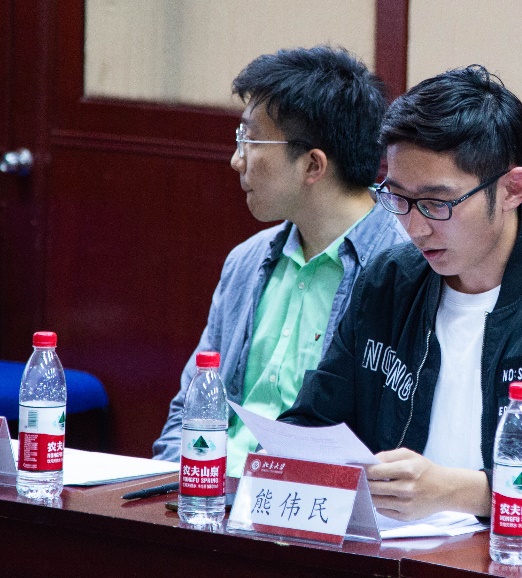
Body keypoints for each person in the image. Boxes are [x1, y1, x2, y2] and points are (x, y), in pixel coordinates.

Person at [279, 65, 522, 525]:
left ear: (511, 190)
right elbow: (312, 423)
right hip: (389, 546)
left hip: (517, 548)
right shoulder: (388, 280)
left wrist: (466, 492)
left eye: (437, 203)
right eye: (398, 198)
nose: (414, 227)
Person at [152, 46, 408, 476]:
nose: (237, 159)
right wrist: (168, 484)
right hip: (210, 491)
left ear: (312, 165)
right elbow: (191, 405)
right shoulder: (247, 260)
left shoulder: (403, 270)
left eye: (250, 140)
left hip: (312, 501)